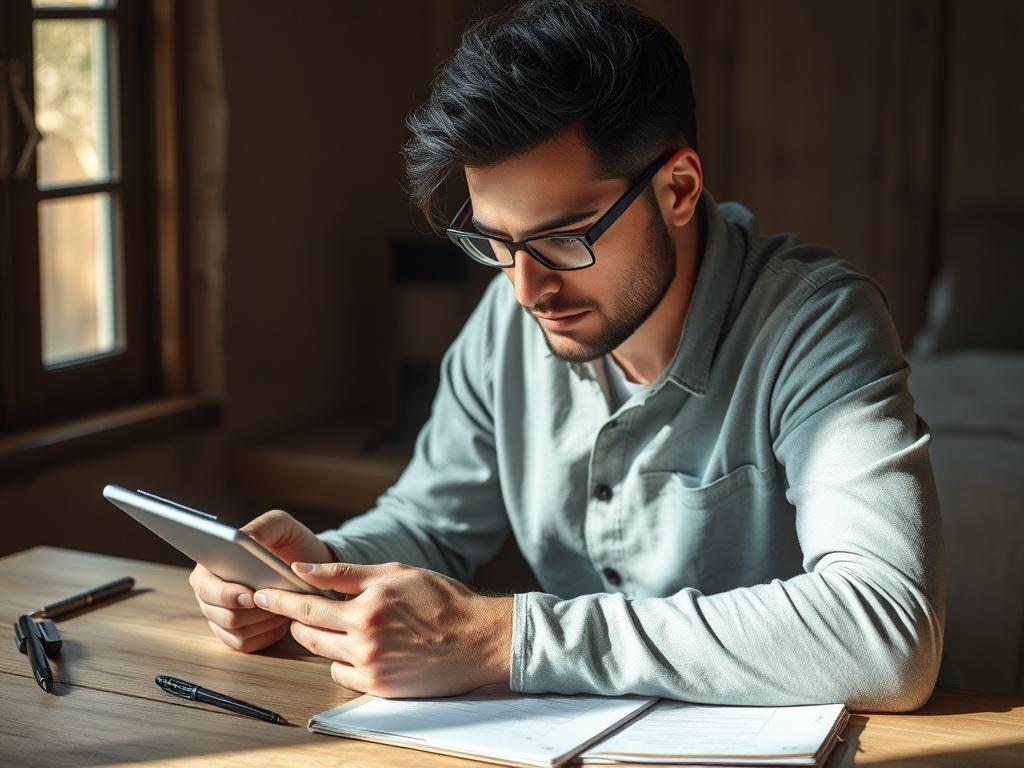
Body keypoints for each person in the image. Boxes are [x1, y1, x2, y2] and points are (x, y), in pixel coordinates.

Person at [189, 0, 945, 711]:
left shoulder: (816, 323)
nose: (527, 288)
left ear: (678, 188)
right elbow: (431, 523)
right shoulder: (510, 315)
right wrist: (309, 574)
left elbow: (886, 628)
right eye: (496, 240)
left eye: (564, 237)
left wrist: (510, 638)